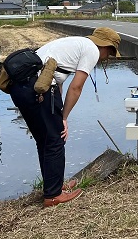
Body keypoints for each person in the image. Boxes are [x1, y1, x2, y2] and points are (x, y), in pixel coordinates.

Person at [9, 27, 121, 207]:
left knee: (44, 140)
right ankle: (53, 195)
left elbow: (56, 79)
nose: (106, 58)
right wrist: (64, 118)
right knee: (55, 140)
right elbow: (76, 88)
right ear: (105, 46)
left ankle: (53, 186)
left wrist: (60, 114)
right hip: (39, 89)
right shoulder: (91, 49)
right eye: (110, 53)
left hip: (20, 89)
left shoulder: (73, 43)